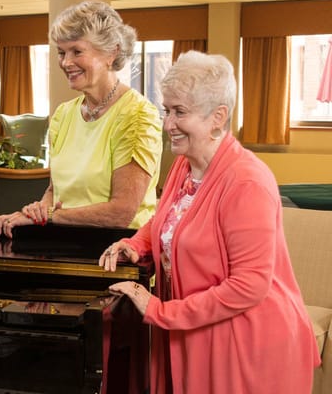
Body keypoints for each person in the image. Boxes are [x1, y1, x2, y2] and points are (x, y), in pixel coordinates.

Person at [99, 51, 320, 394]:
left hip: (246, 343)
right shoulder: (184, 166)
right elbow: (167, 220)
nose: (167, 124)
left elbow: (249, 286)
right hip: (196, 331)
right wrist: (136, 244)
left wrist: (158, 309)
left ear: (218, 117)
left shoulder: (247, 181)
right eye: (167, 110)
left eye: (180, 112)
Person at [0, 0, 162, 237]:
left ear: (111, 53)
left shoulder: (137, 115)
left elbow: (121, 212)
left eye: (76, 51)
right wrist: (36, 211)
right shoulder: (64, 114)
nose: (65, 62)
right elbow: (55, 190)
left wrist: (50, 217)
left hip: (119, 252)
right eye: (61, 53)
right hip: (65, 244)